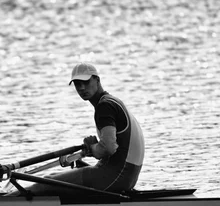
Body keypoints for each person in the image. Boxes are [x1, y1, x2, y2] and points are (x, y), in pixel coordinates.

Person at [28, 62, 144, 195]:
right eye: (77, 84)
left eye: (86, 82)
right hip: (126, 177)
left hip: (114, 176)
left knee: (44, 184)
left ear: (97, 80)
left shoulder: (105, 107)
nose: (82, 88)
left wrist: (93, 147)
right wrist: (93, 149)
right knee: (53, 177)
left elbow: (108, 147)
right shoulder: (113, 101)